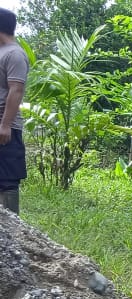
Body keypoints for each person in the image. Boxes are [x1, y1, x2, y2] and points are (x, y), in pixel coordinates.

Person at [0, 8, 28, 216]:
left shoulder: (14, 54)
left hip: (5, 127)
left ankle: (12, 232)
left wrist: (5, 125)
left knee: (7, 180)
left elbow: (16, 89)